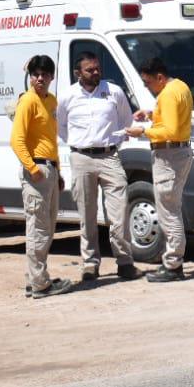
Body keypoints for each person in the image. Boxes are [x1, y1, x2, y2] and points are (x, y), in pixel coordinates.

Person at [57, 51, 137, 282]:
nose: (95, 73)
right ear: (77, 73)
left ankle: (125, 262)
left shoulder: (113, 92)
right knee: (87, 214)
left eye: (97, 69)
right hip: (81, 158)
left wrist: (114, 142)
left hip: (110, 157)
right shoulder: (67, 96)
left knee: (119, 213)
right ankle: (90, 264)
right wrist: (79, 145)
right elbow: (61, 126)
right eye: (89, 70)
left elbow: (126, 121)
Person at [125, 57, 193, 282]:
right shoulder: (180, 87)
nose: (147, 86)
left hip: (169, 155)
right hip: (178, 153)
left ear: (160, 78)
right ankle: (174, 262)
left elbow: (171, 130)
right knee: (171, 207)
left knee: (168, 210)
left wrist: (143, 131)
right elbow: (173, 118)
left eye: (148, 82)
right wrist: (152, 115)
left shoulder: (168, 93)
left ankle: (173, 265)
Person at [10, 55, 72, 299]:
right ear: (30, 76)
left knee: (46, 228)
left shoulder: (51, 101)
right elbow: (17, 140)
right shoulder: (28, 101)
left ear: (51, 77)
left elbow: (50, 140)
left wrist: (57, 171)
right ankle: (40, 284)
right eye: (36, 74)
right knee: (38, 228)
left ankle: (34, 278)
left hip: (49, 169)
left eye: (45, 74)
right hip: (36, 170)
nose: (40, 78)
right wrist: (33, 169)